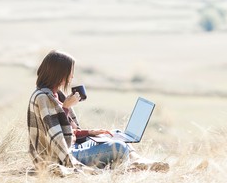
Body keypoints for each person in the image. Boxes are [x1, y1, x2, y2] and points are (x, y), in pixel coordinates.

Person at [27, 50, 169, 175]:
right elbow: (57, 139)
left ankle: (141, 162)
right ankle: (135, 165)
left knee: (116, 135)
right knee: (119, 147)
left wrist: (90, 133)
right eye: (70, 72)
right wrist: (66, 107)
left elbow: (65, 131)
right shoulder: (42, 98)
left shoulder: (55, 94)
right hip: (58, 156)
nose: (72, 76)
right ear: (59, 73)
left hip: (73, 146)